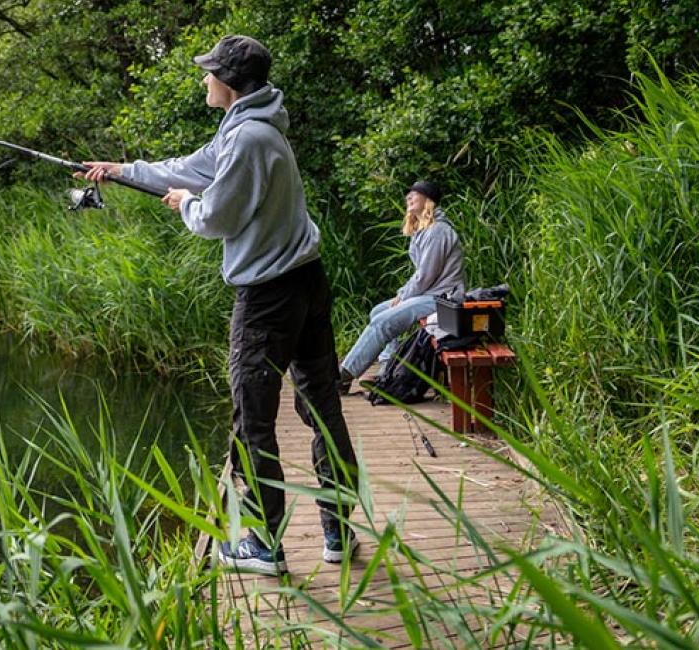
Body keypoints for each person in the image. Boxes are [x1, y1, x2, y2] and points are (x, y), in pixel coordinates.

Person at [78, 35, 359, 573]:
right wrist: (119, 170)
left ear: (229, 83)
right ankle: (336, 532)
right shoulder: (253, 129)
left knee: (253, 418)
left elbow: (216, 218)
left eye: (210, 73)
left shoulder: (250, 139)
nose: (205, 80)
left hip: (268, 297)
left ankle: (260, 543)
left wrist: (187, 206)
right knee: (321, 407)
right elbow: (191, 166)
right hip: (306, 282)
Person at [338, 180, 465, 391]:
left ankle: (344, 375)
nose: (409, 197)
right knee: (379, 311)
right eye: (408, 195)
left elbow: (425, 276)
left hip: (444, 298)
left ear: (428, 200)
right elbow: (422, 276)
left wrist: (403, 295)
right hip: (430, 295)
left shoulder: (438, 231)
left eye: (415, 194)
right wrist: (403, 295)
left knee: (383, 321)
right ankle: (387, 369)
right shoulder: (423, 231)